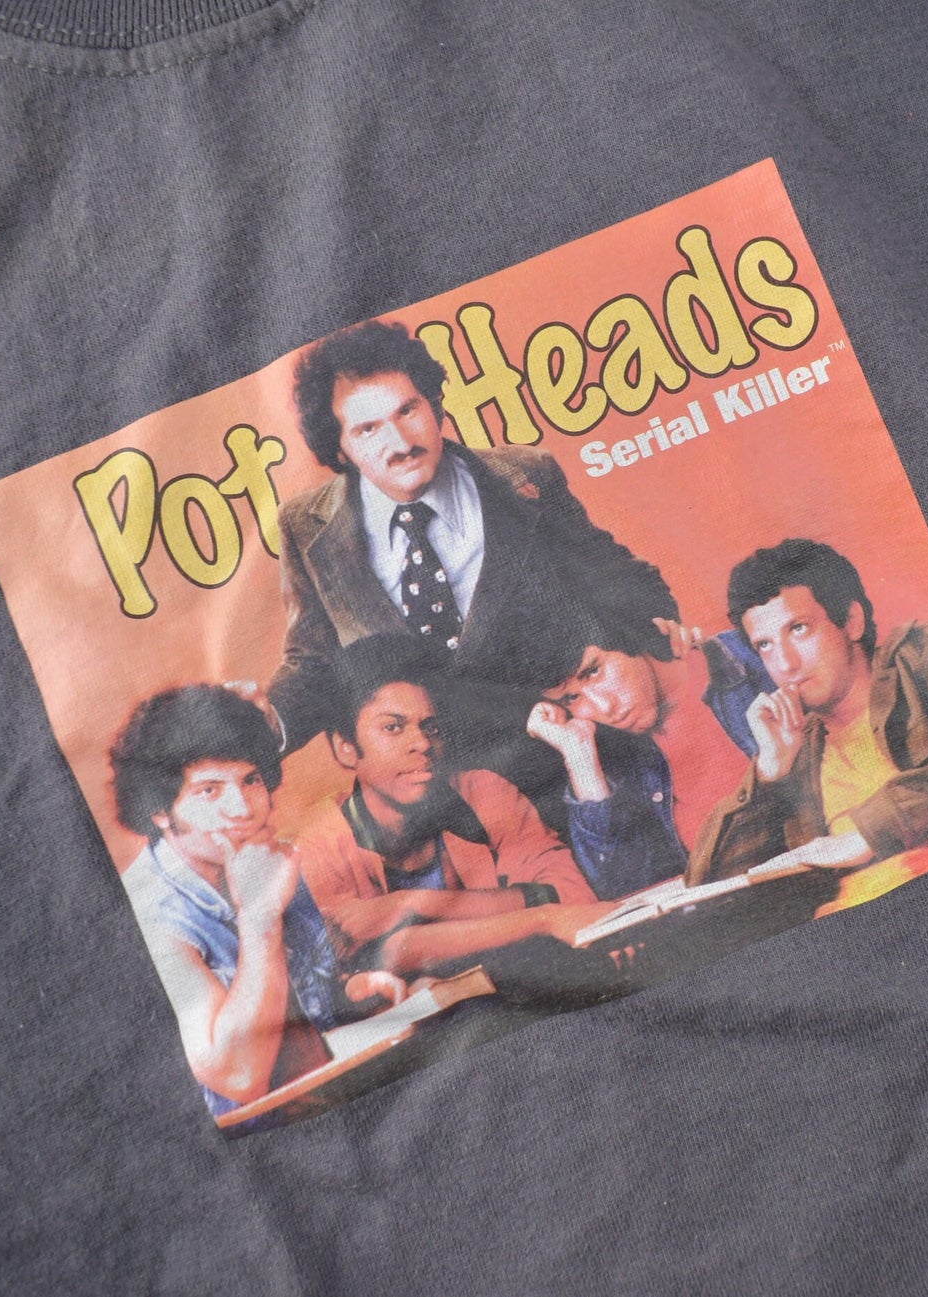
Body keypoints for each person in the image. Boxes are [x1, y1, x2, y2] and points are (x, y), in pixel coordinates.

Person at [267, 319, 678, 757]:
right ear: (339, 447)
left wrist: (653, 645)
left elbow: (614, 577)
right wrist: (264, 724)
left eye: (408, 411)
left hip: (557, 752)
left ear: (434, 406)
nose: (400, 443)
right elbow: (315, 661)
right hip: (431, 774)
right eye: (368, 430)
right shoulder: (304, 525)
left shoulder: (529, 475)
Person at [110, 686, 406, 1122]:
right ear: (159, 810)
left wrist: (353, 990)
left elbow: (303, 995)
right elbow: (239, 1076)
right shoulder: (149, 916)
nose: (242, 809)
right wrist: (259, 916)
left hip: (328, 1093)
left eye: (250, 780)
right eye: (209, 791)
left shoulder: (266, 859)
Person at [690, 539, 928, 886]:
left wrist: (867, 833)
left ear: (852, 621)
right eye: (765, 645)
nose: (785, 664)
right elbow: (709, 886)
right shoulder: (795, 749)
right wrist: (768, 774)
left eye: (798, 629)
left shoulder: (926, 658)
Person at [291, 636, 609, 979]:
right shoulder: (317, 848)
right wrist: (541, 919)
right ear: (345, 747)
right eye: (393, 727)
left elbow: (573, 895)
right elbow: (368, 960)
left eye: (430, 726)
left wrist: (416, 905)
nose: (422, 743)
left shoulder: (484, 792)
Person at [520, 610, 764, 899]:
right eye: (571, 697)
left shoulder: (760, 655)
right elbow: (625, 892)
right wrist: (579, 756)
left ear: (628, 634)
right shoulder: (613, 760)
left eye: (594, 671)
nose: (604, 707)